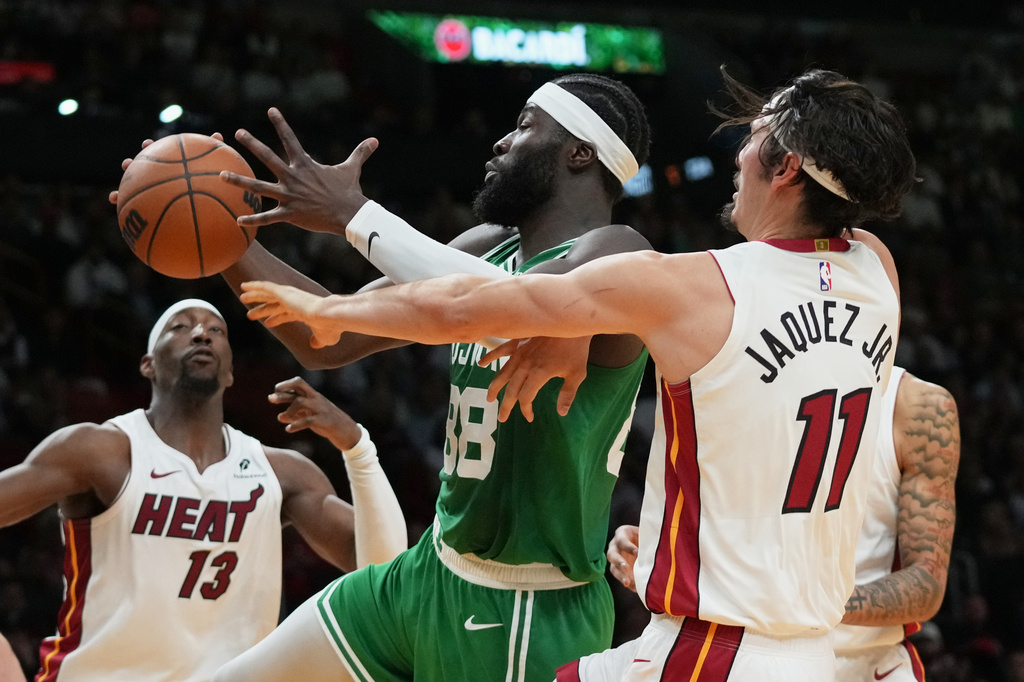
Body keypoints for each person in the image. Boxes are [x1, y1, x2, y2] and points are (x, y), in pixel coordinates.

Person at [237, 67, 918, 681]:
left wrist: (353, 231)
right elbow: (403, 318)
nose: (737, 155)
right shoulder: (873, 270)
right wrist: (223, 241)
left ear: (787, 168)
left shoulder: (678, 278)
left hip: (609, 619)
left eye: (753, 140)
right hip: (444, 567)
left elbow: (484, 303)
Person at [208, 74, 653, 682]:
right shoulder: (486, 247)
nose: (500, 142)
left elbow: (516, 306)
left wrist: (354, 215)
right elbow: (323, 335)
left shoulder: (620, 252)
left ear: (579, 153)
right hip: (427, 569)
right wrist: (215, 229)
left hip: (523, 605)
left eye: (525, 126)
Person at [0, 299, 406, 682]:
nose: (201, 334)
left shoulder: (282, 473)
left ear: (230, 372)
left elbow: (383, 572)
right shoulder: (99, 451)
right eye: (180, 327)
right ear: (148, 364)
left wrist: (357, 447)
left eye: (216, 330)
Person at [605, 366, 960, 681]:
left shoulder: (917, 406)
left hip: (863, 661)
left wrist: (803, 602)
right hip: (742, 654)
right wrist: (659, 549)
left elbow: (926, 584)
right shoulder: (741, 378)